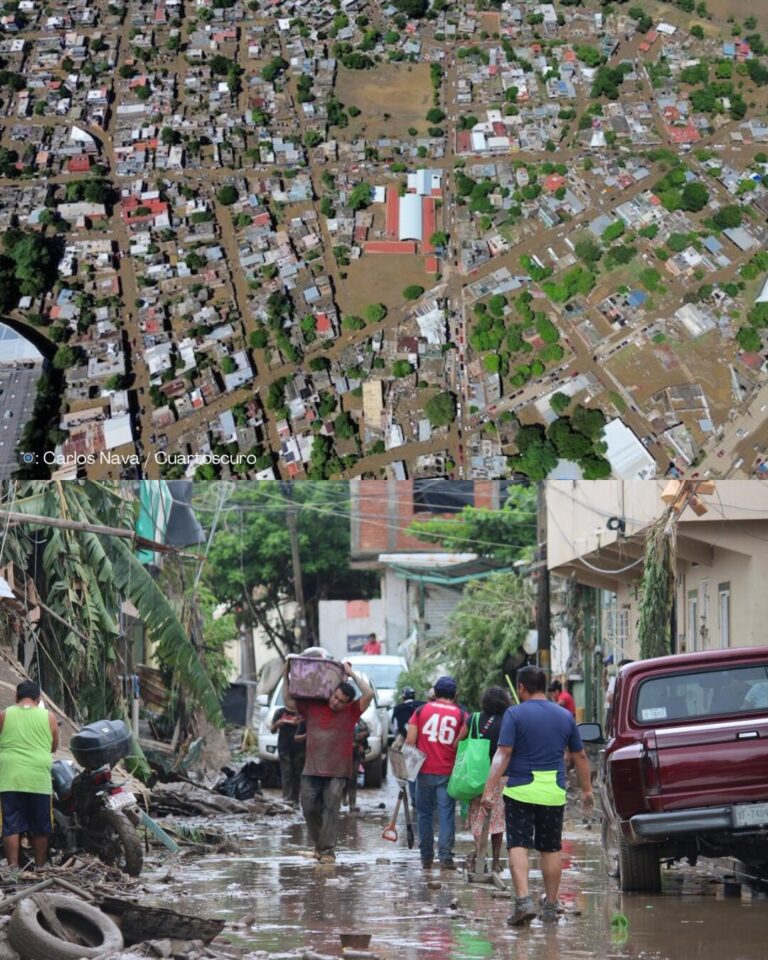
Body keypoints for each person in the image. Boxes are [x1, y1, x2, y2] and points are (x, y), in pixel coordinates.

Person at [481, 665, 593, 926]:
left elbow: (503, 754)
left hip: (520, 790)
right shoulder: (565, 716)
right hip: (553, 792)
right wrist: (587, 790)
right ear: (544, 686)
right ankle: (551, 908)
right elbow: (581, 756)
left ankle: (523, 902)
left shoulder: (514, 714)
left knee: (518, 844)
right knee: (550, 848)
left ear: (521, 687)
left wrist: (489, 789)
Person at [283, 660, 373, 863]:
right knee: (308, 807)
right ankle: (320, 846)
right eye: (335, 697)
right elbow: (288, 701)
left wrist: (352, 673)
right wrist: (285, 675)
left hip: (338, 770)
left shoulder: (352, 712)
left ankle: (327, 851)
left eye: (341, 701)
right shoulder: (314, 706)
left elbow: (368, 694)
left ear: (348, 703)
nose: (335, 702)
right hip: (311, 768)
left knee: (331, 808)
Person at [406, 675, 467, 871]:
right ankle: (445, 857)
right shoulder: (461, 715)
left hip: (423, 771)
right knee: (446, 814)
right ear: (455, 695)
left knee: (424, 814)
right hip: (448, 772)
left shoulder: (421, 710)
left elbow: (410, 742)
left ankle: (426, 858)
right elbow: (461, 743)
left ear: (435, 693)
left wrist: (408, 772)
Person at [0, 681, 59, 875]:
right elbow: (54, 747)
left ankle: (13, 871)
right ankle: (40, 868)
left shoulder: (4, 715)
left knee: (11, 824)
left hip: (10, 777)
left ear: (16, 697)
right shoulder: (49, 717)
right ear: (38, 699)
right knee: (40, 826)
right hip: (38, 778)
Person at [465, 685, 512, 875]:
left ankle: (480, 856)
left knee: (477, 817)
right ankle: (495, 862)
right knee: (498, 821)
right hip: (501, 776)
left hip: (476, 777)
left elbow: (459, 741)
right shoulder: (508, 721)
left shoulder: (474, 719)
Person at [270, 705, 306, 805]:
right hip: (284, 746)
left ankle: (295, 799)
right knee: (286, 771)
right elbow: (272, 730)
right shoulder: (280, 712)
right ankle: (287, 798)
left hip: (299, 748)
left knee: (297, 772)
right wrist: (278, 723)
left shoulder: (303, 712)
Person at [343, 717, 370, 812]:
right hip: (341, 754)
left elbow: (367, 730)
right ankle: (341, 800)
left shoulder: (359, 720)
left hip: (355, 754)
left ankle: (352, 804)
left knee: (353, 778)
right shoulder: (340, 718)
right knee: (341, 778)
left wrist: (359, 738)